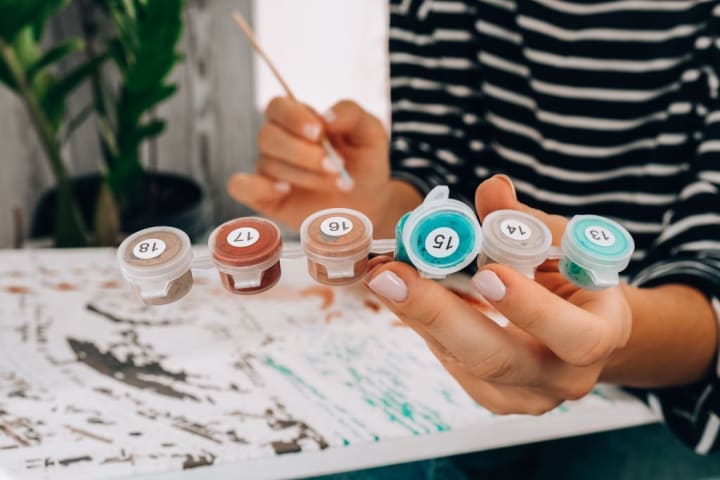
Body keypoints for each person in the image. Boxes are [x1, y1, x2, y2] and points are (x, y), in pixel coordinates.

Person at [228, 0, 720, 462]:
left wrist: (619, 337)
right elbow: (438, 173)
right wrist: (379, 208)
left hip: (672, 395)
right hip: (448, 371)